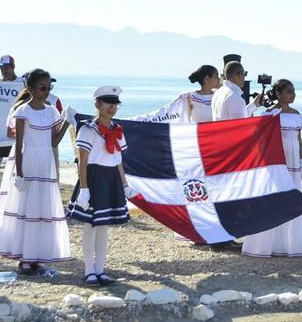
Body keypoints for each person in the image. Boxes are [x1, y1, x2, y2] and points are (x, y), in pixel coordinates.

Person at [0, 68, 71, 274]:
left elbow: (54, 142)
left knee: (42, 210)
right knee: (26, 209)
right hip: (29, 163)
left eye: (49, 87)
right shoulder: (23, 111)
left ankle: (39, 256)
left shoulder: (51, 111)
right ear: (30, 89)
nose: (46, 91)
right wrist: (19, 174)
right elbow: (20, 144)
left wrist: (67, 120)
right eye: (42, 87)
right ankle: (25, 258)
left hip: (45, 163)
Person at [66, 86, 136, 286]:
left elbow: (118, 159)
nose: (112, 107)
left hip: (111, 178)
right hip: (94, 179)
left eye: (115, 104)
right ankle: (89, 271)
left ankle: (100, 270)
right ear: (98, 104)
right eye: (108, 103)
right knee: (90, 226)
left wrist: (125, 184)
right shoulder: (87, 129)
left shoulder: (117, 129)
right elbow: (83, 161)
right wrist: (84, 189)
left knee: (103, 226)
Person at [242, 79, 302, 258]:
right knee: (274, 198)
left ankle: (289, 245)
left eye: (294, 91)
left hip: (294, 162)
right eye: (289, 91)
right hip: (276, 161)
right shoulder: (269, 114)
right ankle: (266, 245)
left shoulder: (297, 115)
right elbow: (254, 131)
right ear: (279, 94)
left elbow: (299, 140)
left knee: (291, 198)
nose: (292, 94)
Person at [133, 64, 221, 123]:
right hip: (199, 141)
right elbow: (163, 113)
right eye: (216, 76)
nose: (219, 79)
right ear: (207, 78)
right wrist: (134, 121)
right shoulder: (188, 98)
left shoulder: (220, 96)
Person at [0, 57, 25, 160]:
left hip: (14, 138)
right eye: (1, 68)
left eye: (6, 68)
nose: (3, 71)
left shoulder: (22, 84)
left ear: (13, 67)